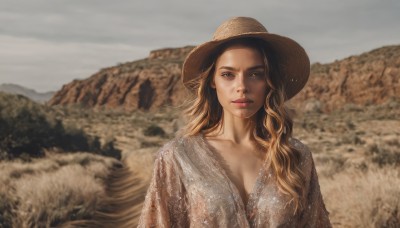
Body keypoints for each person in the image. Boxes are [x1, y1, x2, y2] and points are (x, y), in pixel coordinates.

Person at [137, 16, 332, 227]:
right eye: (228, 74)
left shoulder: (296, 156)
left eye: (255, 74)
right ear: (212, 80)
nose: (242, 87)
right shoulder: (178, 157)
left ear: (270, 82)